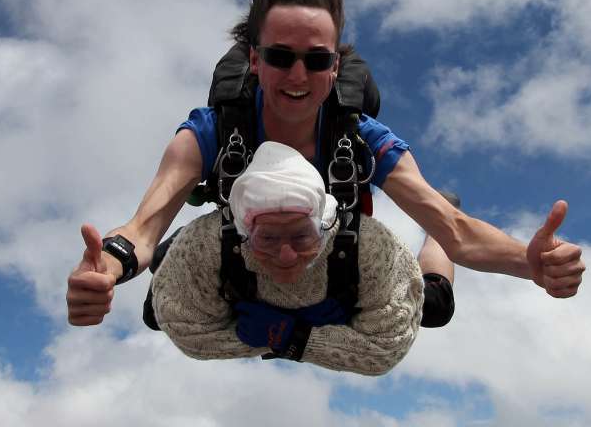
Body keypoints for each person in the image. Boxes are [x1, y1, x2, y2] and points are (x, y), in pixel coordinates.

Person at [67, 0, 584, 329]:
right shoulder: (209, 132)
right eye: (279, 57)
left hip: (330, 250)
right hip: (252, 246)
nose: (297, 77)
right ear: (254, 58)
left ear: (335, 67)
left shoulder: (358, 137)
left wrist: (528, 263)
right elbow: (143, 227)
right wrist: (109, 269)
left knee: (435, 310)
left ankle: (425, 261)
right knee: (159, 306)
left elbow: (456, 228)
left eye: (315, 61)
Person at [145, 141, 424, 375]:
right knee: (156, 313)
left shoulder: (371, 246)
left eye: (302, 236)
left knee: (435, 306)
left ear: (324, 225)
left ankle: (434, 240)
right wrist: (294, 335)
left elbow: (386, 348)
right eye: (268, 238)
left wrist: (292, 336)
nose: (286, 255)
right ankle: (169, 249)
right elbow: (190, 334)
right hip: (212, 270)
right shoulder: (204, 245)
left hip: (345, 285)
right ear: (245, 234)